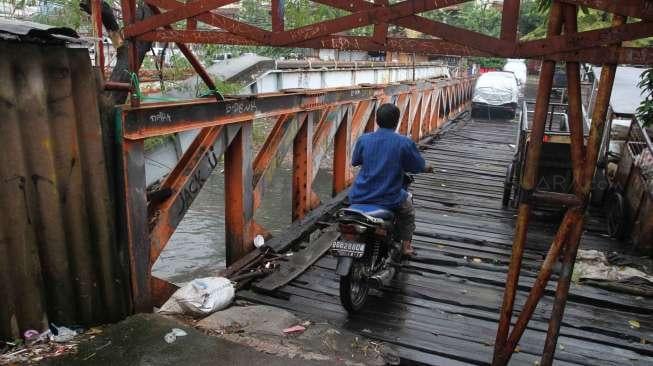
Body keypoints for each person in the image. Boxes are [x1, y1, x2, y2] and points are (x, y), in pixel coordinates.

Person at [349, 103, 433, 257]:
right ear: (396, 121)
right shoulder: (404, 142)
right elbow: (417, 165)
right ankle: (406, 247)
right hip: (388, 197)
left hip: (359, 195)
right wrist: (426, 168)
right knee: (408, 212)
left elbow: (355, 161)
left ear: (377, 120)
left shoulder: (364, 139)